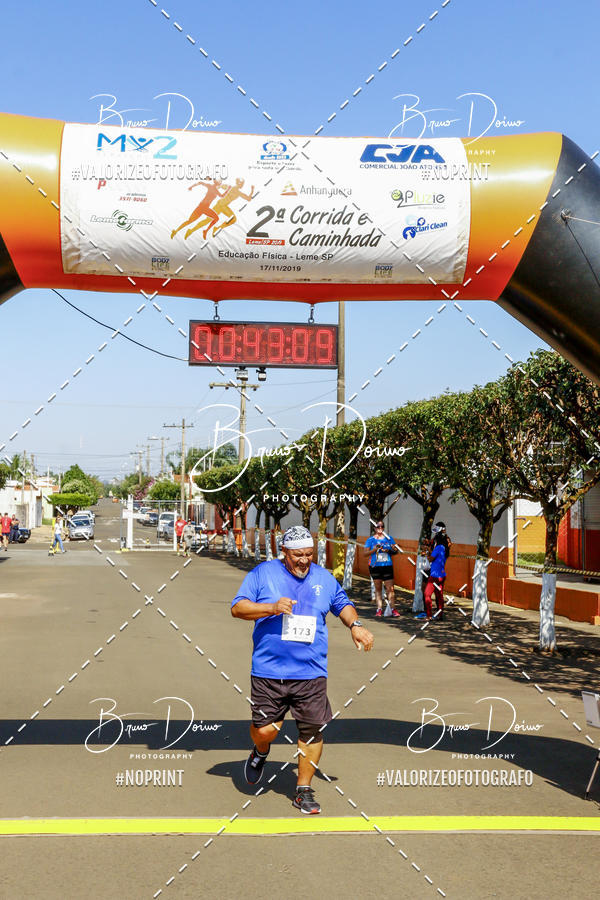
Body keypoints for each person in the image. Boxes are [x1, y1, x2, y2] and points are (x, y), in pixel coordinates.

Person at [231, 524, 374, 815]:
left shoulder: (323, 578)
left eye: (309, 554)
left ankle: (303, 789)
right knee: (265, 730)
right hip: (269, 670)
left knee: (312, 731)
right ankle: (260, 751)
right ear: (283, 551)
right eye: (297, 555)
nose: (304, 560)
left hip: (310, 672)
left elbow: (341, 604)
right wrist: (271, 607)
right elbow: (238, 608)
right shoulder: (263, 574)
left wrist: (355, 626)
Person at [184, 177, 255, 240]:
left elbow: (248, 199)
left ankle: (213, 228)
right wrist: (252, 190)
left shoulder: (236, 191)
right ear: (238, 183)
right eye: (241, 183)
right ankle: (192, 230)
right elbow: (220, 186)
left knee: (230, 219)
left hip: (222, 205)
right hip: (220, 205)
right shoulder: (233, 189)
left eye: (242, 183)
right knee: (209, 220)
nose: (242, 185)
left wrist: (252, 191)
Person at [363, 521, 400, 618]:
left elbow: (396, 551)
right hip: (375, 567)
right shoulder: (370, 540)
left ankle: (393, 609)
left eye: (382, 526)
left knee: (390, 589)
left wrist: (390, 550)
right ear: (374, 528)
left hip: (387, 566)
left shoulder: (389, 538)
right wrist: (374, 550)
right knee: (378, 588)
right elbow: (365, 554)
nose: (380, 528)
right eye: (378, 526)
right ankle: (379, 609)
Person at [423, 523, 451, 620]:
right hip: (442, 574)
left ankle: (429, 615)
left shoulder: (438, 547)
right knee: (439, 596)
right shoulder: (444, 548)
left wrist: (426, 553)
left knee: (427, 594)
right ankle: (440, 614)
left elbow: (430, 559)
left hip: (434, 575)